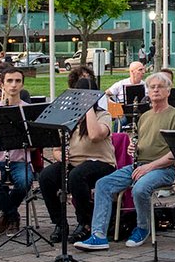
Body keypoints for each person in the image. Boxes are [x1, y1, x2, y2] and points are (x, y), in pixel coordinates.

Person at [75, 72, 175, 251]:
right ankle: (98, 235)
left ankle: (142, 227)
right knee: (103, 184)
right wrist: (133, 148)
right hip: (139, 165)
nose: (155, 90)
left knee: (140, 188)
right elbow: (142, 142)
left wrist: (150, 166)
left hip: (163, 169)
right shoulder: (145, 116)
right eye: (152, 87)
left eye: (160, 87)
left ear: (168, 91)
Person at [36, 74, 116, 244]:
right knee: (46, 177)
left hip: (101, 163)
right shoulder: (69, 117)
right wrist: (61, 157)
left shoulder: (103, 115)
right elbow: (56, 150)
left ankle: (85, 223)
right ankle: (60, 223)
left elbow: (94, 135)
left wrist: (88, 108)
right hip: (74, 163)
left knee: (77, 176)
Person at [0, 67, 35, 236]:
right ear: (2, 84)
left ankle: (6, 215)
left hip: (20, 161)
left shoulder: (28, 110)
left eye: (18, 81)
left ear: (22, 84)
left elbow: (35, 145)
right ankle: (13, 216)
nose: (13, 85)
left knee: (25, 182)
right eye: (9, 81)